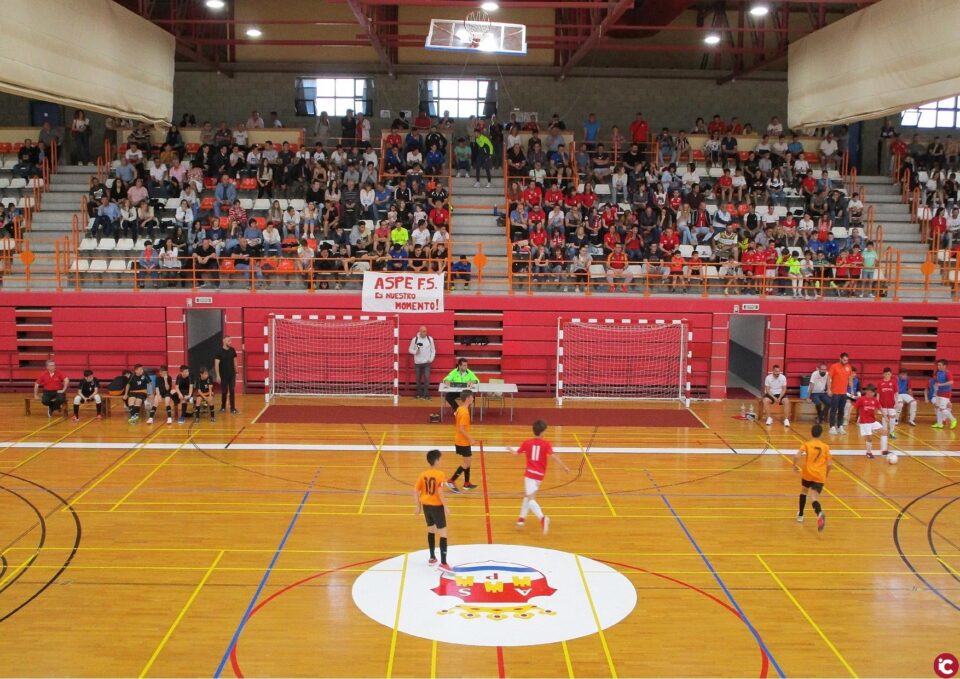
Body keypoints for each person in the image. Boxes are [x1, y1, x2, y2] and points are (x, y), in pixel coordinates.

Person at [507, 419, 570, 534]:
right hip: (540, 476)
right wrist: (564, 467)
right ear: (542, 432)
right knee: (528, 496)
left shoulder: (527, 443)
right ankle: (521, 519)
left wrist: (510, 449)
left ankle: (542, 518)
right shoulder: (546, 444)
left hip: (530, 474)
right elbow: (554, 456)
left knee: (530, 499)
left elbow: (516, 454)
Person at [415, 449, 451, 569]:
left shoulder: (423, 474)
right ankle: (444, 563)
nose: (441, 461)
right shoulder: (440, 474)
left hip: (426, 506)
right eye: (440, 459)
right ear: (436, 460)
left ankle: (432, 557)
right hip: (436, 507)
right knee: (443, 534)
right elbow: (440, 492)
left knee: (431, 530)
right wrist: (445, 506)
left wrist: (418, 506)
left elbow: (416, 490)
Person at [792, 424, 830, 532]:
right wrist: (826, 474)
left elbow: (797, 456)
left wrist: (794, 465)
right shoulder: (826, 447)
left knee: (804, 491)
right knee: (814, 497)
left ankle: (801, 515)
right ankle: (819, 513)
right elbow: (830, 464)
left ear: (811, 433)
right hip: (819, 476)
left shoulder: (807, 444)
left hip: (808, 473)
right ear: (821, 434)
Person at [446, 390, 477, 494]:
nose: (473, 398)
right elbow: (461, 429)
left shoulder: (460, 408)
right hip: (462, 441)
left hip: (461, 440)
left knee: (468, 461)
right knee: (466, 463)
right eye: (472, 397)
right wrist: (471, 439)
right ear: (468, 398)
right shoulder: (464, 412)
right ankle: (451, 481)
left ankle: (467, 483)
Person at [853, 384, 888, 458]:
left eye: (874, 392)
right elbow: (854, 407)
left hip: (872, 421)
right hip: (865, 422)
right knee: (869, 438)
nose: (873, 394)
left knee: (884, 432)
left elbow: (880, 408)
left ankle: (884, 450)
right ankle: (869, 453)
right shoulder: (861, 399)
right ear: (867, 392)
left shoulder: (874, 400)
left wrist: (885, 416)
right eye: (872, 392)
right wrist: (847, 415)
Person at [827, 352, 852, 435]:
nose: (845, 361)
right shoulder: (834, 366)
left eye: (847, 360)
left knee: (842, 410)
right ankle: (832, 427)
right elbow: (829, 378)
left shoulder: (848, 367)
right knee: (834, 410)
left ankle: (840, 426)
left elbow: (850, 378)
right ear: (840, 358)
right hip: (835, 392)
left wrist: (851, 390)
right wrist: (829, 389)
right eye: (844, 360)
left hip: (843, 393)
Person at [929, 358, 957, 430]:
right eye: (938, 365)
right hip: (939, 393)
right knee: (938, 408)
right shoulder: (938, 373)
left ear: (945, 366)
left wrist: (941, 385)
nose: (938, 366)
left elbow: (951, 382)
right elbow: (936, 382)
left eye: (940, 365)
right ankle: (939, 423)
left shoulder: (948, 373)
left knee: (942, 408)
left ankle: (953, 420)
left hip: (946, 393)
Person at [409, 326, 436, 400]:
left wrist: (431, 359)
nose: (425, 333)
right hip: (417, 363)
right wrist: (415, 352)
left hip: (427, 363)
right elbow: (410, 349)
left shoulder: (430, 339)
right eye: (423, 331)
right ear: (420, 331)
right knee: (418, 379)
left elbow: (433, 350)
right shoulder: (415, 339)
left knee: (427, 378)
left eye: (426, 331)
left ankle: (426, 394)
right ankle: (419, 394)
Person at [214, 336, 239, 415]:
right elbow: (216, 364)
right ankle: (223, 407)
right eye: (228, 341)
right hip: (223, 375)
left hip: (231, 374)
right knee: (224, 391)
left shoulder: (232, 350)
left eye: (230, 340)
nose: (230, 342)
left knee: (232, 390)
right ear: (224, 341)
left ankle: (233, 408)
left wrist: (237, 371)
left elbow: (235, 361)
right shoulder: (219, 351)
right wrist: (218, 375)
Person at [877, 367, 899, 440]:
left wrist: (896, 402)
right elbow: (878, 394)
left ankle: (892, 432)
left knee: (892, 418)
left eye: (889, 374)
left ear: (891, 374)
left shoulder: (893, 382)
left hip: (891, 404)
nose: (887, 375)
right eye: (886, 374)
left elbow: (896, 393)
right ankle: (885, 432)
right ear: (883, 374)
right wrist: (877, 403)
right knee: (884, 418)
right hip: (883, 404)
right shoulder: (880, 383)